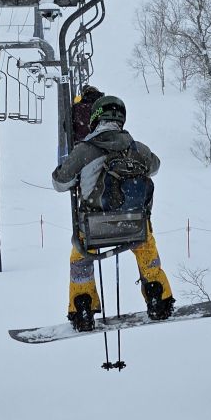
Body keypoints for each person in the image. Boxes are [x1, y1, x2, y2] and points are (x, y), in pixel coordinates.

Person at [51, 94, 175, 331]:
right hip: (133, 224)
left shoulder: (84, 150)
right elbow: (155, 166)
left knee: (80, 259)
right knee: (146, 248)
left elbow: (59, 183)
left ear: (95, 119)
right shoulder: (138, 148)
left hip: (95, 227)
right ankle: (157, 296)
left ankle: (82, 307)